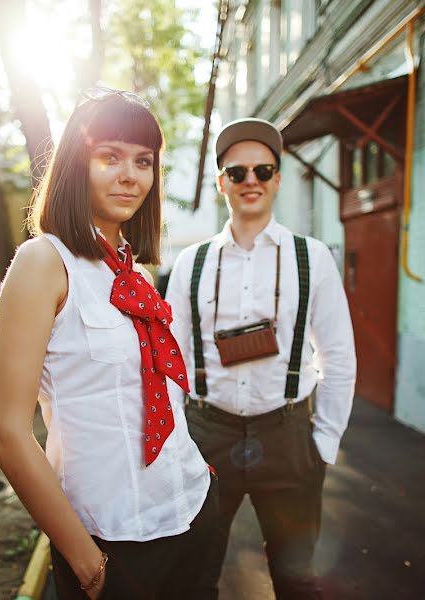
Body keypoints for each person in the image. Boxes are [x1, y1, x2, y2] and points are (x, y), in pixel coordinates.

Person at [0, 88, 217, 600]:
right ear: (76, 164)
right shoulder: (42, 263)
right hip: (114, 540)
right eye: (109, 156)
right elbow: (7, 433)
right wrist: (87, 564)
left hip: (192, 510)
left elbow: (154, 390)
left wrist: (199, 470)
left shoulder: (133, 271)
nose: (130, 175)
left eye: (143, 161)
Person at [165, 118, 356, 599]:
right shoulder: (192, 262)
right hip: (208, 436)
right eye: (237, 172)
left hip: (287, 436)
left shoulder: (311, 258)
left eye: (263, 170)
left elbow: (337, 354)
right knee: (193, 577)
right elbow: (171, 360)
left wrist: (323, 442)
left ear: (278, 178)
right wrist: (177, 440)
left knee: (296, 580)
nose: (250, 180)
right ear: (220, 182)